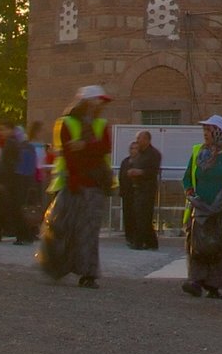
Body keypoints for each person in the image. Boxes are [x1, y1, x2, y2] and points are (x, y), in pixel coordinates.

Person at [37, 86, 114, 288]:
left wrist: (84, 146)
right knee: (61, 227)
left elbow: (104, 147)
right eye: (99, 101)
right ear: (88, 103)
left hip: (92, 183)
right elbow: (70, 153)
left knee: (88, 231)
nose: (102, 105)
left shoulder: (101, 124)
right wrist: (88, 151)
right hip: (72, 182)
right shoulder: (66, 124)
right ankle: (56, 265)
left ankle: (88, 273)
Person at [180, 115, 222, 299]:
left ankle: (213, 286)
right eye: (204, 129)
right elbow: (187, 177)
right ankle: (195, 281)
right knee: (197, 245)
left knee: (219, 246)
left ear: (220, 133)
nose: (205, 133)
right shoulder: (198, 152)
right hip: (200, 208)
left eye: (208, 130)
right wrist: (189, 190)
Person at [118, 130, 163, 251]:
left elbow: (153, 171)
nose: (137, 141)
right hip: (137, 189)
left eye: (140, 139)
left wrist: (140, 172)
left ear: (147, 140)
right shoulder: (140, 154)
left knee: (143, 216)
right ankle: (150, 242)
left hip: (147, 189)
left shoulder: (154, 154)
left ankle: (138, 243)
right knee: (140, 215)